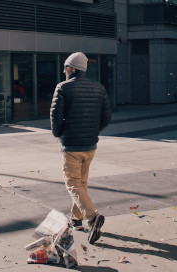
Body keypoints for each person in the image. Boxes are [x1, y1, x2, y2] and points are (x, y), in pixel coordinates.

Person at [50, 52, 112, 244]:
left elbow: (55, 116)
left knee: (73, 183)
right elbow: (106, 117)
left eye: (66, 67)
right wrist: (93, 131)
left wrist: (59, 134)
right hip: (90, 145)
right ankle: (76, 219)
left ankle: (92, 217)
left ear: (72, 68)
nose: (63, 70)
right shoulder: (99, 88)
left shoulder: (63, 87)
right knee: (81, 183)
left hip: (72, 145)